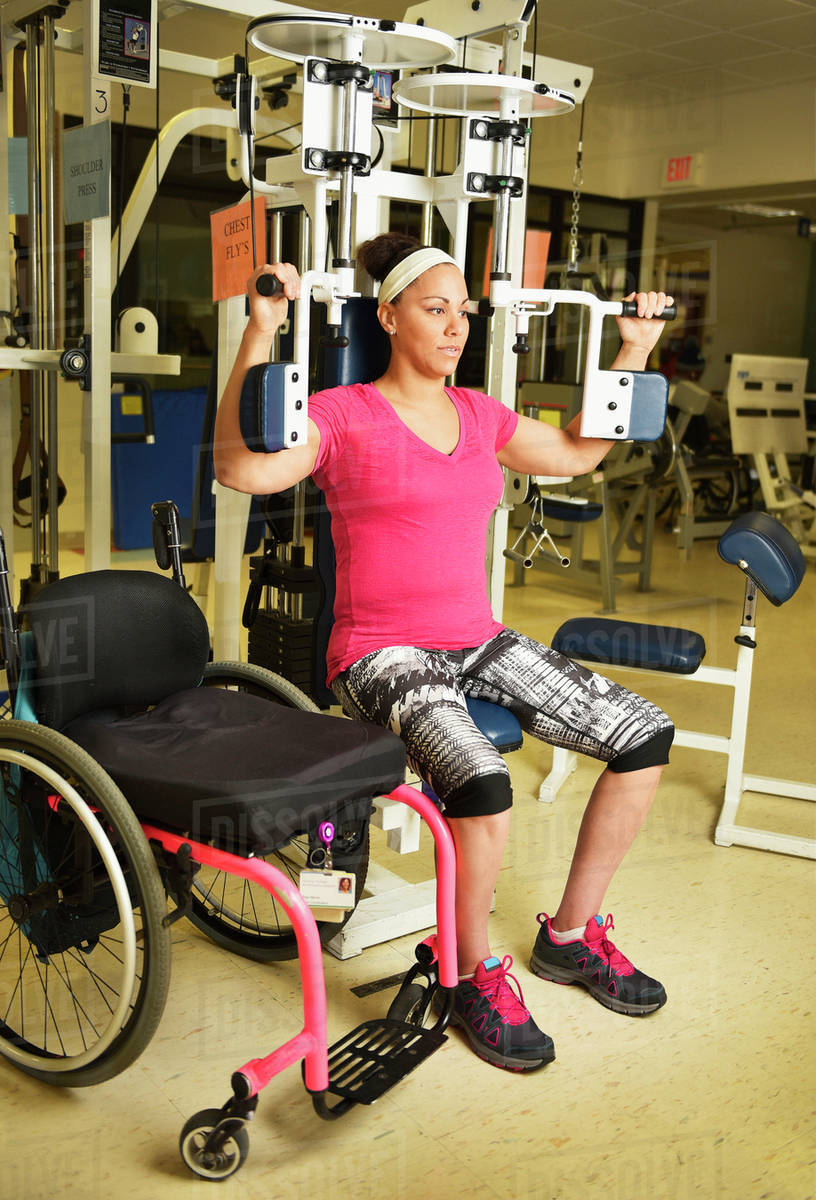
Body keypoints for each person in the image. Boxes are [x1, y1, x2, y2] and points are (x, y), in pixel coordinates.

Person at [214, 233, 676, 1073]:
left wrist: (633, 351)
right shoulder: (341, 414)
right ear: (387, 316)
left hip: (479, 638)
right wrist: (261, 334)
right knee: (482, 783)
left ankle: (572, 935)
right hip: (379, 653)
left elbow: (577, 454)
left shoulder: (480, 414)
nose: (456, 326)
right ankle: (467, 978)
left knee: (644, 734)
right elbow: (242, 469)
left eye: (463, 311)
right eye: (436, 309)